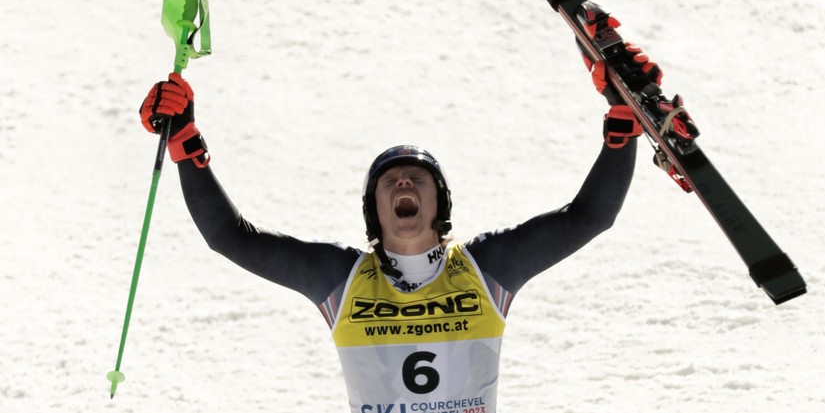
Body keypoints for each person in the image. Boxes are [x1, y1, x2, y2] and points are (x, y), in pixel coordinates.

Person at [139, 40, 661, 412]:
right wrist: (187, 144)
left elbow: (591, 216)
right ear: (374, 209)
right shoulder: (340, 279)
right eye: (390, 182)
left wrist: (621, 131)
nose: (404, 186)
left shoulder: (487, 268)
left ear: (440, 203)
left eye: (417, 179)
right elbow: (229, 237)